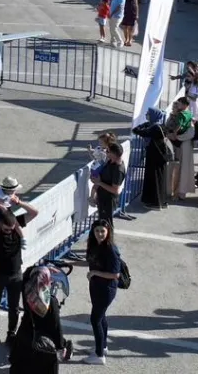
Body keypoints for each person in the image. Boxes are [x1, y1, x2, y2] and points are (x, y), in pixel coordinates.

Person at [0, 191, 39, 345]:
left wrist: (19, 202)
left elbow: (34, 212)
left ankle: (11, 333)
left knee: (14, 307)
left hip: (15, 274)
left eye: (11, 229)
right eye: (6, 229)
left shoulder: (15, 223)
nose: (9, 231)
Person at [83, 219, 122, 365]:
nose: (100, 234)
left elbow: (115, 274)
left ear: (108, 232)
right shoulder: (94, 245)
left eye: (102, 231)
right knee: (101, 317)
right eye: (97, 231)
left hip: (106, 289)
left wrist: (94, 273)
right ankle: (103, 347)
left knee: (95, 320)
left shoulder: (111, 249)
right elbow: (90, 262)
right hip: (96, 287)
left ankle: (99, 355)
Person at [132, 109, 171, 210]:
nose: (146, 115)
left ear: (153, 116)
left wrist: (143, 125)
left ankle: (155, 203)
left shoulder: (154, 128)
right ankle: (162, 201)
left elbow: (136, 130)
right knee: (160, 179)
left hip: (154, 157)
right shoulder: (161, 126)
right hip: (159, 157)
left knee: (154, 179)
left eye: (148, 114)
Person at [164, 97, 195, 201]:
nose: (175, 107)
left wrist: (176, 136)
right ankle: (170, 191)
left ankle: (179, 192)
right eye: (174, 106)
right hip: (173, 147)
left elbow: (191, 133)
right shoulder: (174, 116)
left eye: (177, 105)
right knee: (171, 170)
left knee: (182, 170)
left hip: (183, 148)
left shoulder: (185, 116)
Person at [91, 141, 125, 227]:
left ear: (114, 154)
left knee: (106, 224)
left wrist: (99, 183)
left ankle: (109, 236)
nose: (106, 152)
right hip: (102, 197)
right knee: (103, 222)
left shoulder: (118, 170)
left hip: (108, 200)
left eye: (108, 151)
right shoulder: (110, 161)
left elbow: (115, 190)